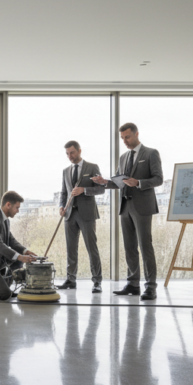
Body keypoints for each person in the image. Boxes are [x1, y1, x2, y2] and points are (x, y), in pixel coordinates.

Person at [93, 122, 163, 300]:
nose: (125, 141)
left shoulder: (151, 153)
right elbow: (118, 182)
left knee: (145, 246)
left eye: (127, 137)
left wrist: (138, 183)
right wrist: (104, 182)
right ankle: (133, 284)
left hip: (142, 206)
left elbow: (158, 179)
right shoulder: (123, 157)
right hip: (125, 206)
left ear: (137, 134)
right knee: (129, 247)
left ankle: (151, 287)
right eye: (122, 138)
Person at [57, 140, 105, 293]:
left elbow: (101, 189)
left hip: (87, 214)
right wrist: (61, 206)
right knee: (71, 249)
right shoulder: (65, 171)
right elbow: (64, 192)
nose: (70, 156)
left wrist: (84, 190)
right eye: (67, 154)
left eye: (72, 153)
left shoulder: (92, 167)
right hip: (69, 215)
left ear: (79, 151)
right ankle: (71, 279)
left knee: (92, 248)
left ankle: (97, 282)